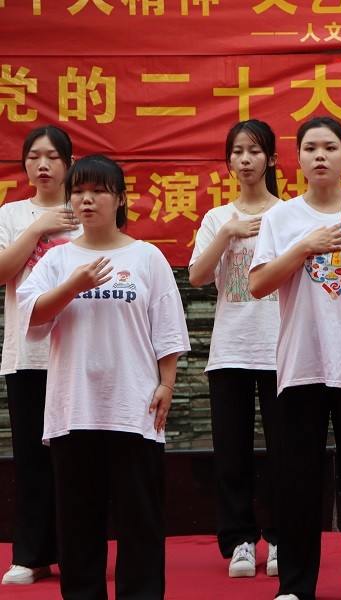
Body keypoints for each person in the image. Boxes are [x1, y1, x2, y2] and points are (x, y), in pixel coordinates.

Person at [17, 154, 191, 599]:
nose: (86, 200)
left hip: (134, 407)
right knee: (78, 524)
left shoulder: (147, 257)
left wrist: (166, 384)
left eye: (98, 191)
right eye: (77, 191)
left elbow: (168, 330)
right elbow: (31, 318)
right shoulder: (57, 260)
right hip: (73, 408)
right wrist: (73, 286)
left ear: (120, 199)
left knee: (140, 521)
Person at [248, 116, 341, 600]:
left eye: (330, 147)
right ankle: (295, 586)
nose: (320, 156)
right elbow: (258, 284)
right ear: (297, 159)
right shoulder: (281, 219)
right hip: (301, 365)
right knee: (298, 481)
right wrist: (304, 247)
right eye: (310, 148)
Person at [188, 119, 282, 579]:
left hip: (282, 348)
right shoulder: (215, 219)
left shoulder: (289, 214)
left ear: (272, 159)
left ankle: (283, 537)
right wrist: (228, 232)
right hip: (231, 349)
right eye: (238, 152)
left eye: (255, 151)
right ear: (228, 161)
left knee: (286, 450)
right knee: (231, 451)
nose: (245, 160)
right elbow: (197, 276)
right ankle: (240, 541)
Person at [0, 125, 80, 585]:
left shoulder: (85, 210)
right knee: (31, 458)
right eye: (34, 157)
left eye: (52, 157)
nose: (43, 165)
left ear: (69, 163)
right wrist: (36, 228)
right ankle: (30, 555)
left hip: (77, 352)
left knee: (76, 459)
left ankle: (76, 553)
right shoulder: (12, 215)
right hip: (28, 354)